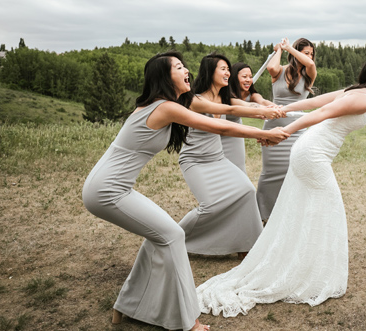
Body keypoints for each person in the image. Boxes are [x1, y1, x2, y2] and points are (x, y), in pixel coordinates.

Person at [82, 51, 287, 331]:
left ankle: (127, 305)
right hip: (107, 190)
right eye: (179, 67)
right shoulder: (163, 107)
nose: (186, 70)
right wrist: (262, 133)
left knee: (161, 236)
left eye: (184, 66)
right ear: (165, 78)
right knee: (172, 236)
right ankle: (188, 321)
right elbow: (214, 124)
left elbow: (226, 113)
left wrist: (259, 112)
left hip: (114, 187)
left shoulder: (168, 105)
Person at [198, 57, 366, 316]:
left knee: (314, 210)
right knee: (330, 208)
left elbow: (314, 101)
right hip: (312, 154)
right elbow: (320, 111)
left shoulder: (359, 93)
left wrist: (284, 109)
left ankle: (308, 266)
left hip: (312, 152)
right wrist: (285, 130)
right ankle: (311, 272)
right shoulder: (363, 97)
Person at [178, 53, 285, 257]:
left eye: (229, 69)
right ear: (210, 72)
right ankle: (174, 237)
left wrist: (271, 108)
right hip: (195, 160)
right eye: (223, 69)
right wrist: (261, 123)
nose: (228, 73)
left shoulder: (224, 96)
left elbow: (246, 105)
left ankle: (248, 246)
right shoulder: (196, 99)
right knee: (211, 205)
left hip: (217, 158)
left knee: (246, 191)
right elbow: (231, 110)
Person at [258, 37, 317, 221]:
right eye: (305, 52)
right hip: (273, 125)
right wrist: (279, 51)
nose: (309, 56)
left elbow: (308, 63)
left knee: (294, 171)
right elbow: (270, 68)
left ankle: (291, 214)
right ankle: (263, 215)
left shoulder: (309, 73)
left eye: (311, 53)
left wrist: (289, 47)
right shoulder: (280, 71)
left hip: (297, 129)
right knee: (270, 173)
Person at [222, 62, 280, 173]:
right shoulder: (227, 96)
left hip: (236, 134)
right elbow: (246, 106)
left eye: (250, 76)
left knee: (238, 167)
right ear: (234, 78)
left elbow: (262, 101)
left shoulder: (252, 94)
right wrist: (263, 111)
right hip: (220, 131)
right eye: (244, 77)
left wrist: (275, 107)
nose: (248, 80)